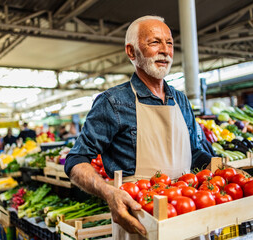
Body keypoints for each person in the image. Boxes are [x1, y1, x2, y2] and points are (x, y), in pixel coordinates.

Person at [64, 16, 213, 239]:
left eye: (169, 43)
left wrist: (223, 168)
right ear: (132, 52)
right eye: (155, 42)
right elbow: (76, 160)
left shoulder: (181, 100)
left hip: (187, 214)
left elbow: (194, 152)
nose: (165, 50)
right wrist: (108, 193)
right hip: (140, 221)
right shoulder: (112, 102)